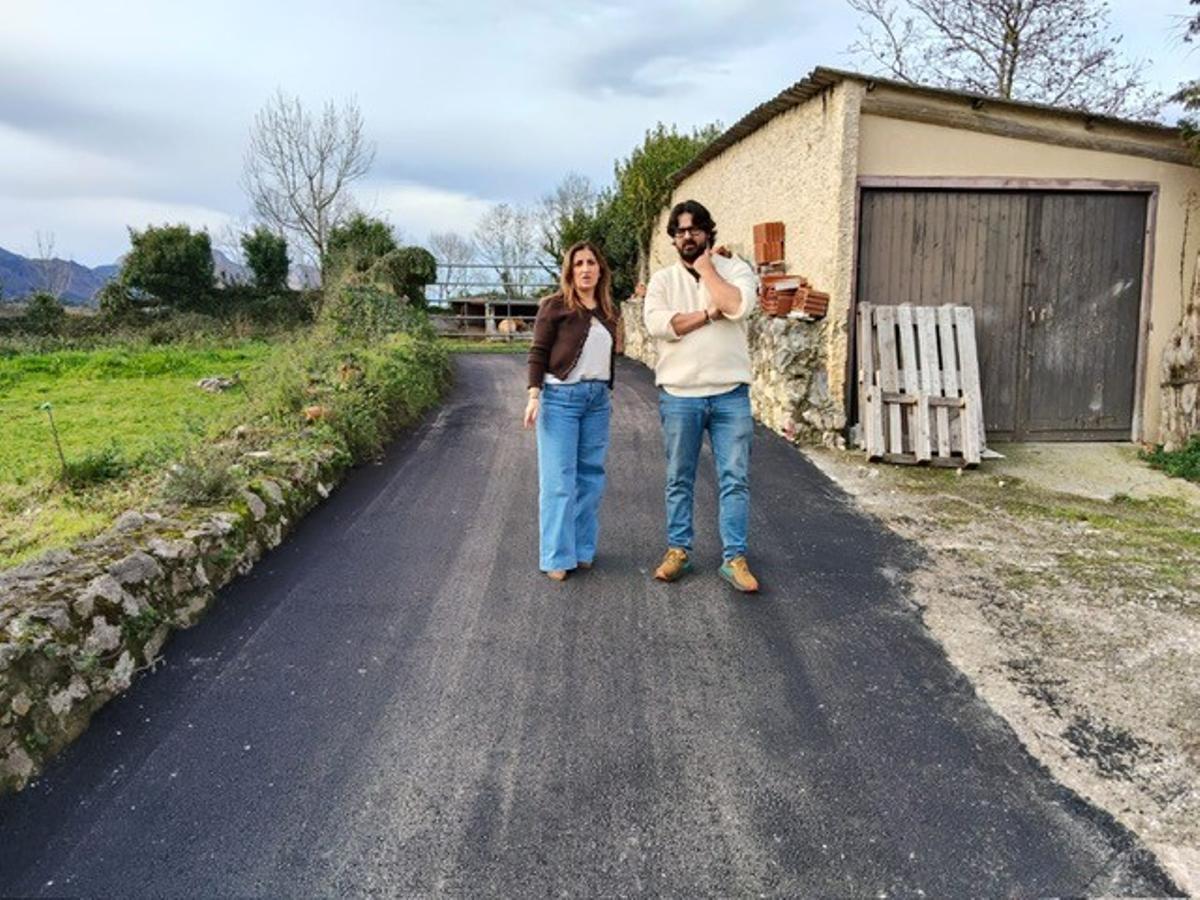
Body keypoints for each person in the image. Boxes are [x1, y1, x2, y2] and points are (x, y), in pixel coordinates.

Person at [642, 200, 760, 593]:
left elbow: (738, 306)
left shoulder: (735, 269)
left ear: (709, 232)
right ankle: (678, 551)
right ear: (673, 239)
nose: (687, 237)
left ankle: (735, 559)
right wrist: (709, 315)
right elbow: (662, 325)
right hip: (680, 395)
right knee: (679, 478)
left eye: (694, 229)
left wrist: (708, 269)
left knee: (735, 479)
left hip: (730, 395)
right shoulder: (662, 281)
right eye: (680, 231)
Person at [524, 241, 622, 581]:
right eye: (578, 263)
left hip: (597, 401)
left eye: (591, 262)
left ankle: (581, 550)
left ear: (600, 269)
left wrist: (606, 391)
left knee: (590, 478)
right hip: (560, 398)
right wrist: (534, 395)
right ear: (569, 270)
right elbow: (538, 352)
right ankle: (555, 556)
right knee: (558, 481)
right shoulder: (554, 306)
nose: (585, 268)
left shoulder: (609, 310)